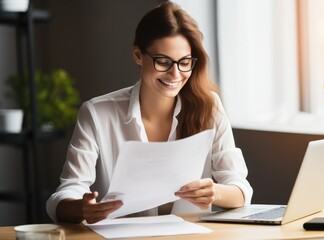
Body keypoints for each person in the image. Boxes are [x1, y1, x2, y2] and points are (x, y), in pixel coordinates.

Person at [46, 2, 253, 224]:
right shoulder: (97, 113)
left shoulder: (209, 107)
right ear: (138, 55)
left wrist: (216, 193)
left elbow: (241, 189)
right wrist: (82, 209)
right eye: (163, 62)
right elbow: (66, 192)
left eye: (184, 62)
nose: (175, 74)